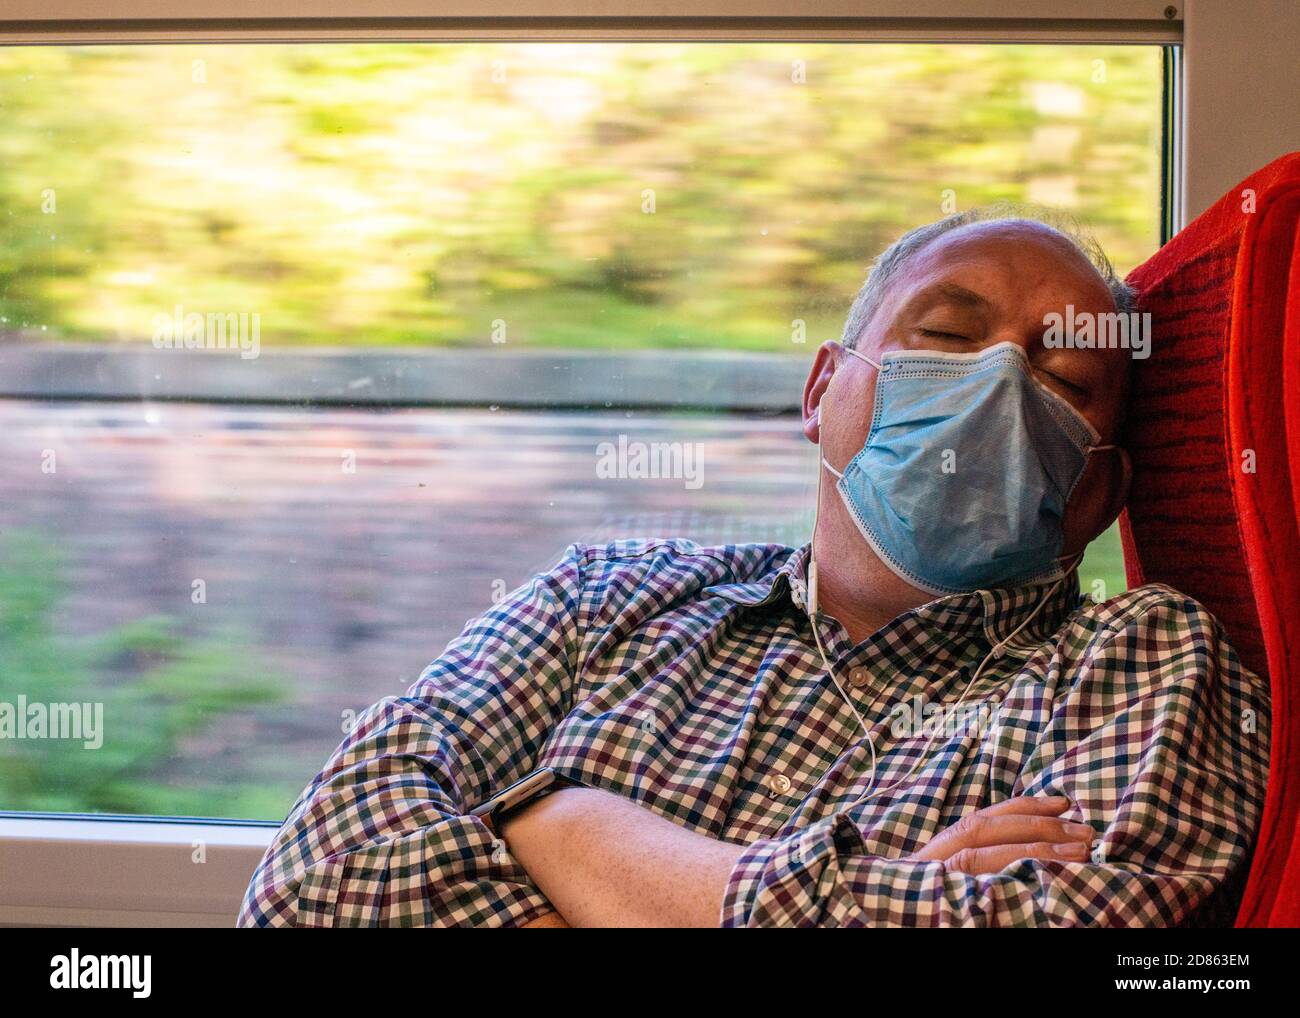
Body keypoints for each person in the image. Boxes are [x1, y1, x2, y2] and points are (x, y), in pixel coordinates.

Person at [237, 207, 1271, 927]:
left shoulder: (1144, 660)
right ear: (822, 387)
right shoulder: (605, 599)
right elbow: (311, 887)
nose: (1000, 377)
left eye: (1063, 376)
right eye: (948, 334)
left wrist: (567, 826)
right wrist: (879, 894)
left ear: (1094, 493)